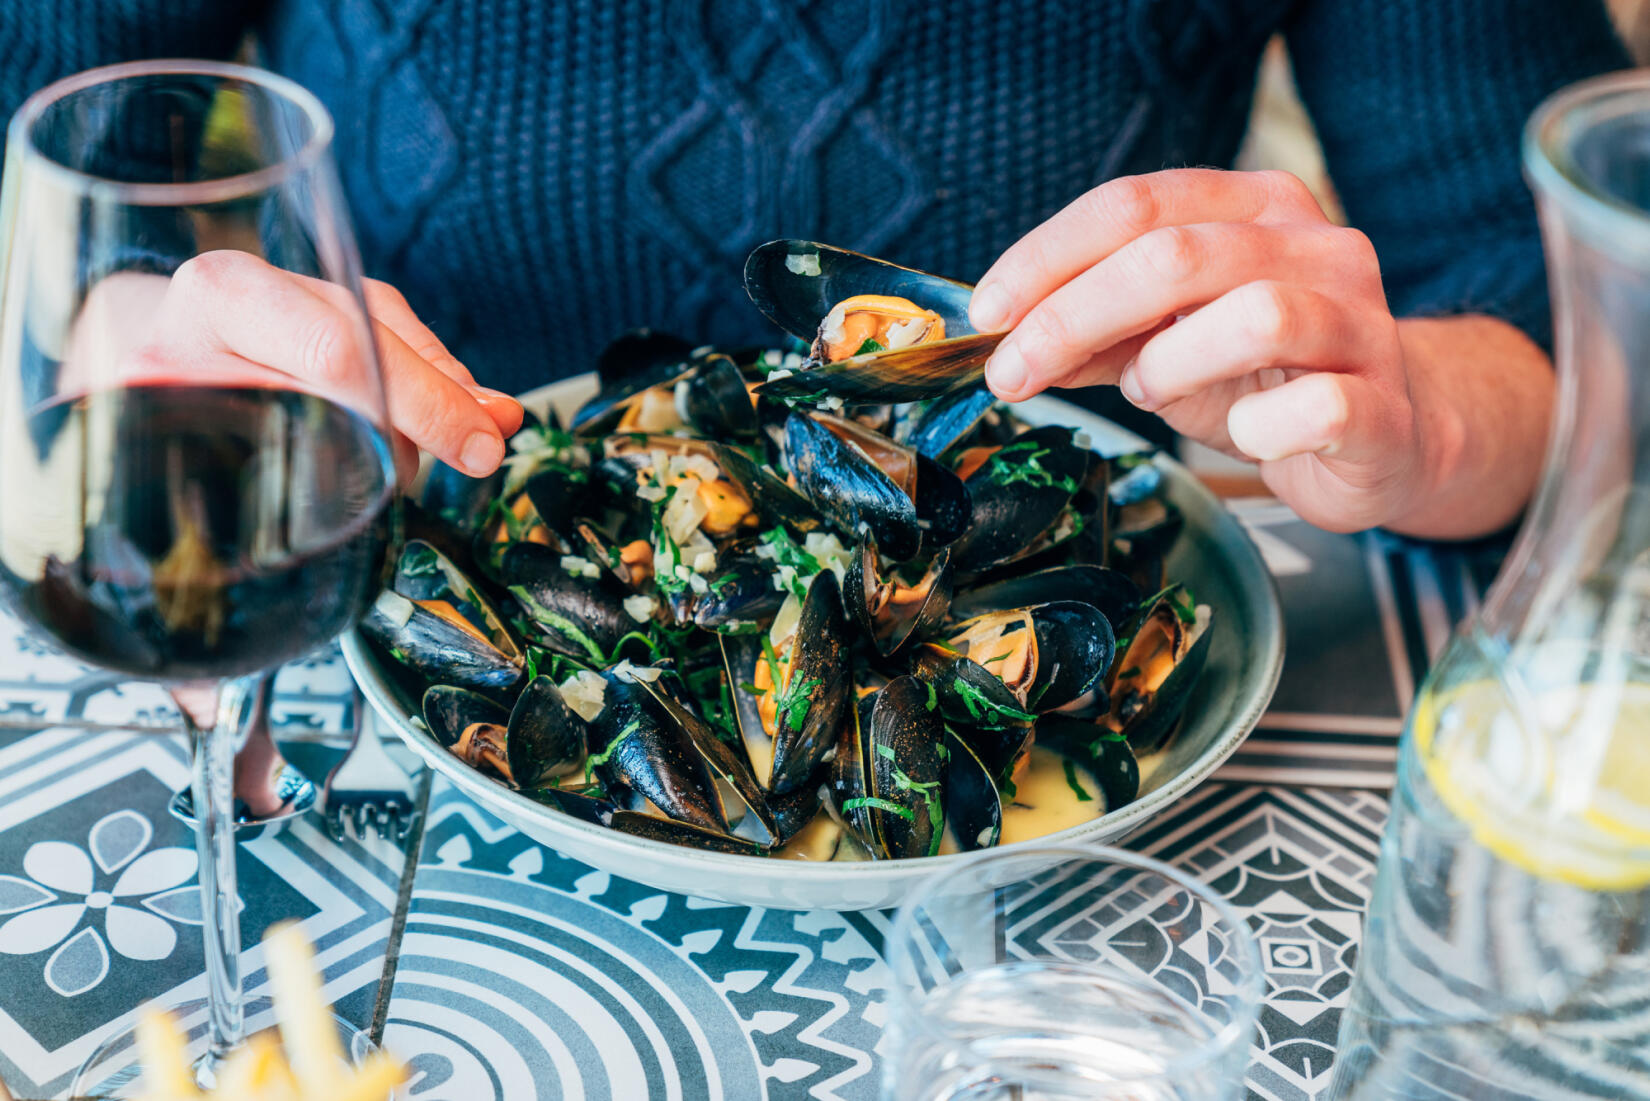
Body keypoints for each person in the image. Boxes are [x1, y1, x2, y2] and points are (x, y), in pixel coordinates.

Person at [1, 1, 1629, 538]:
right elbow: (37, 118)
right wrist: (113, 299)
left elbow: (1556, 283)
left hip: (1088, 793)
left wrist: (1426, 414)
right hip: (378, 617)